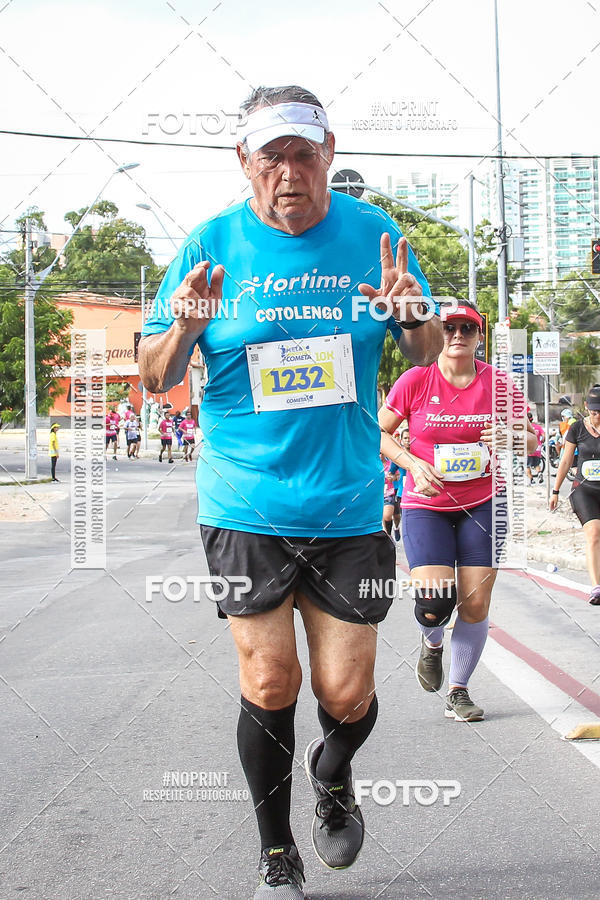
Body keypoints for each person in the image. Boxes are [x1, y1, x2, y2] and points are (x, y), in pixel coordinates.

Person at [139, 84, 442, 899]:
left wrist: (413, 313)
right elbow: (153, 378)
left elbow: (424, 349)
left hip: (346, 503)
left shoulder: (375, 236)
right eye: (269, 157)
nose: (287, 172)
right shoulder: (209, 244)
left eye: (302, 154)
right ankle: (277, 848)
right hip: (244, 503)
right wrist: (187, 327)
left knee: (347, 690)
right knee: (270, 681)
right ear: (244, 163)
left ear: (328, 154)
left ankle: (332, 773)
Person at [379, 300, 537, 723]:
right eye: (448, 328)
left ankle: (459, 690)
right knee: (434, 603)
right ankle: (431, 644)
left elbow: (532, 443)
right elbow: (378, 431)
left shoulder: (499, 384)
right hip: (426, 503)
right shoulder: (415, 379)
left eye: (467, 328)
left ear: (479, 336)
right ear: (438, 333)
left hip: (483, 503)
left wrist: (509, 435)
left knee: (474, 603)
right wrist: (412, 463)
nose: (457, 336)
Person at [550, 384, 600, 605]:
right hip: (584, 490)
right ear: (587, 408)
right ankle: (596, 587)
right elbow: (566, 461)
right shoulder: (577, 428)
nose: (597, 416)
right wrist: (555, 490)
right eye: (594, 412)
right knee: (594, 533)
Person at [388, 428, 410, 540]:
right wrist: (392, 477)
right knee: (405, 519)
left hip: (421, 493)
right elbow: (390, 472)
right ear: (401, 440)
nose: (408, 441)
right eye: (405, 438)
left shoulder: (420, 453)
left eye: (410, 438)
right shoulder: (398, 456)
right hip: (403, 493)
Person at [526, 410, 545, 484]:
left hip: (529, 449)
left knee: (527, 466)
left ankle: (531, 480)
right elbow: (544, 436)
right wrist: (542, 441)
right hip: (537, 448)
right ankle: (539, 472)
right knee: (537, 464)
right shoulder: (538, 427)